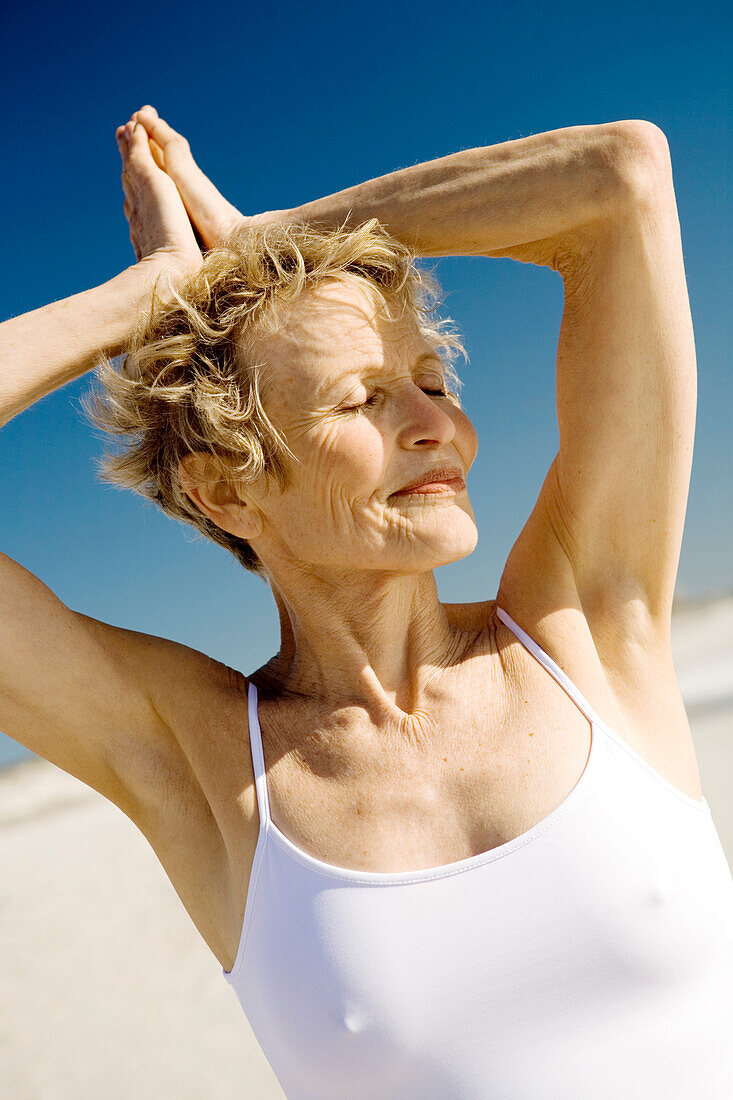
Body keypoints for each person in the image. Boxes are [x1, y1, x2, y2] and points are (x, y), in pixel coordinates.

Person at [2, 107, 732, 1099]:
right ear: (228, 487)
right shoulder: (204, 763)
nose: (437, 424)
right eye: (362, 398)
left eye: (430, 379)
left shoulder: (588, 625)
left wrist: (275, 237)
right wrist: (149, 294)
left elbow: (618, 175)